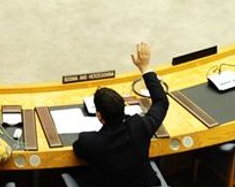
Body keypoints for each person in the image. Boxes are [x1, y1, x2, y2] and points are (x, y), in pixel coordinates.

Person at [72, 43, 169, 187]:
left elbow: (78, 150)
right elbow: (161, 102)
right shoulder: (140, 127)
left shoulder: (90, 141)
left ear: (99, 116)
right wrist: (145, 68)